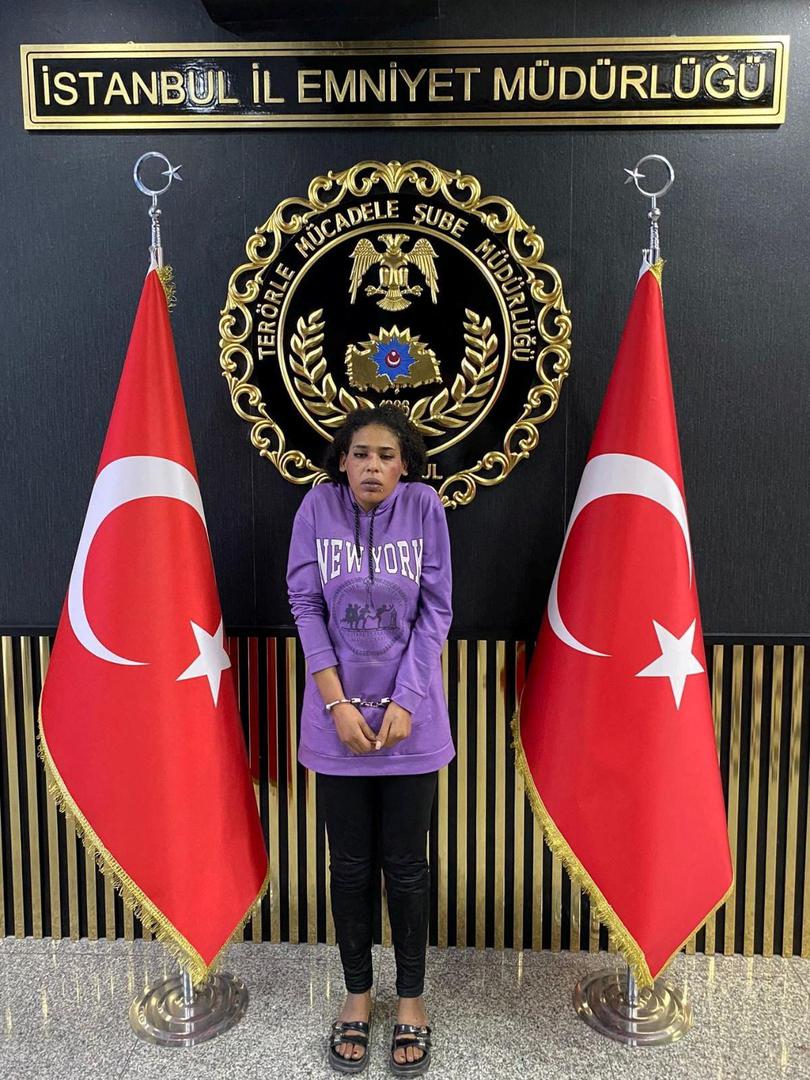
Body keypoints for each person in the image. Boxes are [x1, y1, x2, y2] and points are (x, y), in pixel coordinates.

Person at [287, 404, 454, 1075]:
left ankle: (411, 1000)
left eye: (387, 455)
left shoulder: (425, 509)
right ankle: (357, 994)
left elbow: (436, 609)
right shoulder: (316, 509)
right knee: (350, 867)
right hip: (338, 724)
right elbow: (305, 604)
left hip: (412, 724)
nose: (373, 467)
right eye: (360, 454)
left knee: (407, 867)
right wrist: (335, 704)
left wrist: (408, 699)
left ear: (405, 464)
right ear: (343, 461)